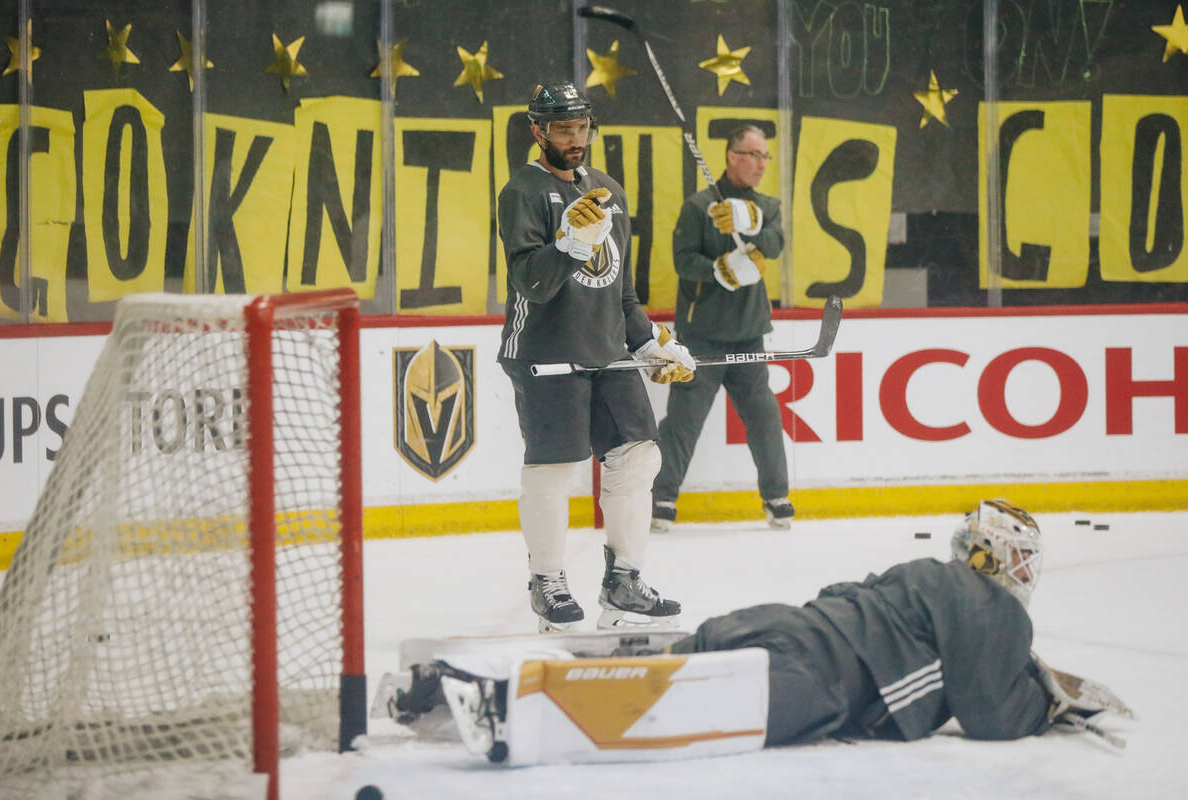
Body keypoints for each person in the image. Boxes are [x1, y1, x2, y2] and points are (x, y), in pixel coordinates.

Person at [384, 500, 1133, 763]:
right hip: (817, 683)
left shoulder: (924, 576)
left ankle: (436, 687)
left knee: (665, 672)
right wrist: (1049, 700)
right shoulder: (992, 607)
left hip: (781, 625)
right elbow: (996, 717)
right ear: (1010, 563)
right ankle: (502, 700)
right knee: (650, 708)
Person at [496, 81, 697, 632]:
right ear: (538, 131)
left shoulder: (608, 190)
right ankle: (548, 583)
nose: (575, 137)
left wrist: (651, 343)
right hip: (544, 353)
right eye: (563, 128)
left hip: (606, 352)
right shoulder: (522, 192)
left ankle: (624, 582)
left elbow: (619, 292)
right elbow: (532, 284)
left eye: (581, 126)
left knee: (639, 457)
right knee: (555, 468)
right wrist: (569, 244)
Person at [652, 124, 793, 532]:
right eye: (754, 155)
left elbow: (776, 241)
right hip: (702, 336)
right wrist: (717, 269)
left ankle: (776, 495)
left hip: (749, 332)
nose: (762, 164)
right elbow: (682, 261)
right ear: (732, 157)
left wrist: (750, 221)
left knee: (764, 417)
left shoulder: (767, 204)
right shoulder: (699, 207)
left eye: (766, 156)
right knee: (683, 421)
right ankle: (662, 499)